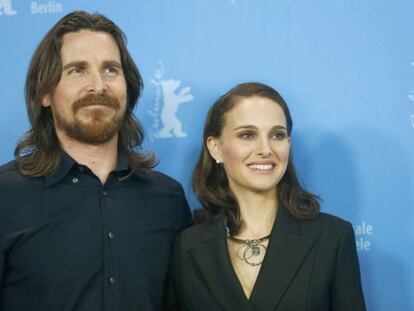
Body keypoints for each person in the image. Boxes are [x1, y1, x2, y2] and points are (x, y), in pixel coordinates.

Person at [0, 11, 190, 310]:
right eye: (78, 70)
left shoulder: (168, 199)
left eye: (111, 70)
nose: (98, 86)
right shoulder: (5, 195)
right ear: (45, 93)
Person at [171, 82, 366, 310]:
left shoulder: (333, 238)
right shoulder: (187, 246)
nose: (266, 149)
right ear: (215, 148)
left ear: (288, 144)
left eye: (277, 135)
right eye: (247, 135)